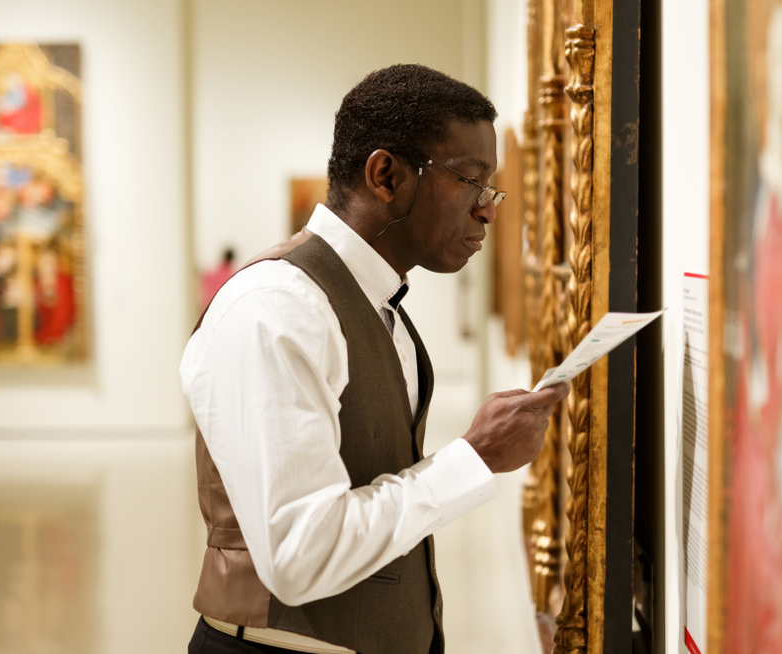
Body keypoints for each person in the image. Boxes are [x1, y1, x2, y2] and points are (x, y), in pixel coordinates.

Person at [181, 64, 568, 654]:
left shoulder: (376, 304)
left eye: (492, 188)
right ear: (386, 175)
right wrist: (473, 459)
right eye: (470, 180)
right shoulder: (277, 308)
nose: (488, 209)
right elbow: (298, 554)